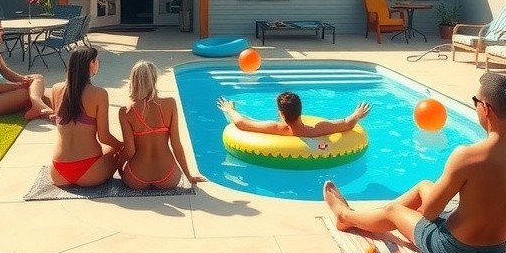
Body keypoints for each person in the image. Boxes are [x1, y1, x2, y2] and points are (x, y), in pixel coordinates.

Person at [324, 71, 506, 253]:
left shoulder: (468, 155)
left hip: (452, 249)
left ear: (485, 108)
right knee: (424, 186)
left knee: (394, 211)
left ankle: (345, 216)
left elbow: (430, 212)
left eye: (475, 102)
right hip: (495, 250)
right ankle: (373, 217)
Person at [119, 61, 205, 189]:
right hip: (168, 176)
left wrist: (117, 164)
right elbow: (176, 144)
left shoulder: (126, 112)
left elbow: (130, 151)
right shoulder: (170, 104)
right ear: (154, 79)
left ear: (133, 81)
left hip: (136, 177)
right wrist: (189, 175)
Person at [49, 45, 123, 187]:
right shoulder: (99, 94)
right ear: (91, 63)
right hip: (89, 171)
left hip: (58, 171)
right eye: (97, 61)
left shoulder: (56, 89)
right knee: (114, 151)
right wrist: (123, 146)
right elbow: (104, 137)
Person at [0, 15, 53, 119]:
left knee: (37, 78)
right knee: (27, 92)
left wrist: (23, 79)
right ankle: (38, 104)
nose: (2, 33)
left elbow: (4, 70)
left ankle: (37, 105)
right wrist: (18, 86)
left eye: (2, 30)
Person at [217, 90, 371, 137]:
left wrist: (230, 109)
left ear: (281, 114)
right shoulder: (318, 129)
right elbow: (347, 123)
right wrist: (357, 114)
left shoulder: (275, 128)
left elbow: (242, 124)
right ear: (301, 110)